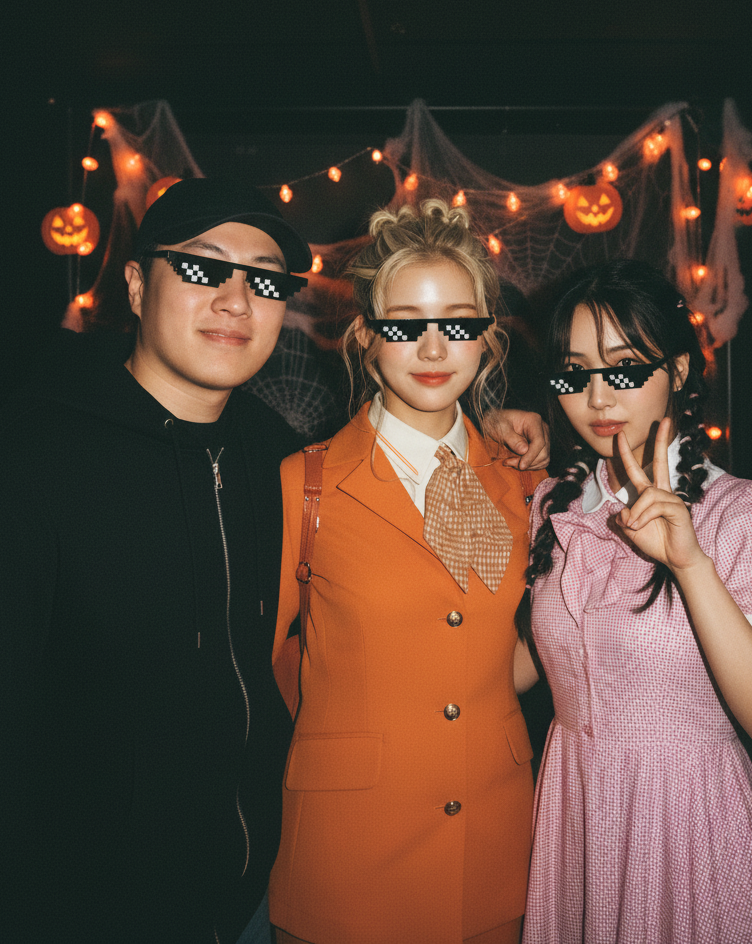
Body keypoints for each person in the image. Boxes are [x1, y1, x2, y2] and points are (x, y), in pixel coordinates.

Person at [0, 177, 547, 944]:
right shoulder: (32, 461)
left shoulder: (277, 452)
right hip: (99, 894)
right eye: (203, 268)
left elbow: (500, 644)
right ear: (135, 285)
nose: (236, 302)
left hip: (343, 873)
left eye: (265, 281)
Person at [514, 258, 752, 944]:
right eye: (573, 374)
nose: (597, 397)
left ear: (679, 370)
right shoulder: (551, 508)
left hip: (696, 836)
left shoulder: (747, 515)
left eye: (624, 369)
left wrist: (690, 566)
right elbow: (516, 669)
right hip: (577, 829)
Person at [268, 199, 548, 944]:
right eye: (404, 324)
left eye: (457, 323)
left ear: (487, 338)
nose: (432, 348)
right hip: (347, 856)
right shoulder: (305, 484)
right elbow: (255, 668)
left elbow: (513, 645)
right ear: (366, 336)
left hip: (492, 851)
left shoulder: (522, 484)